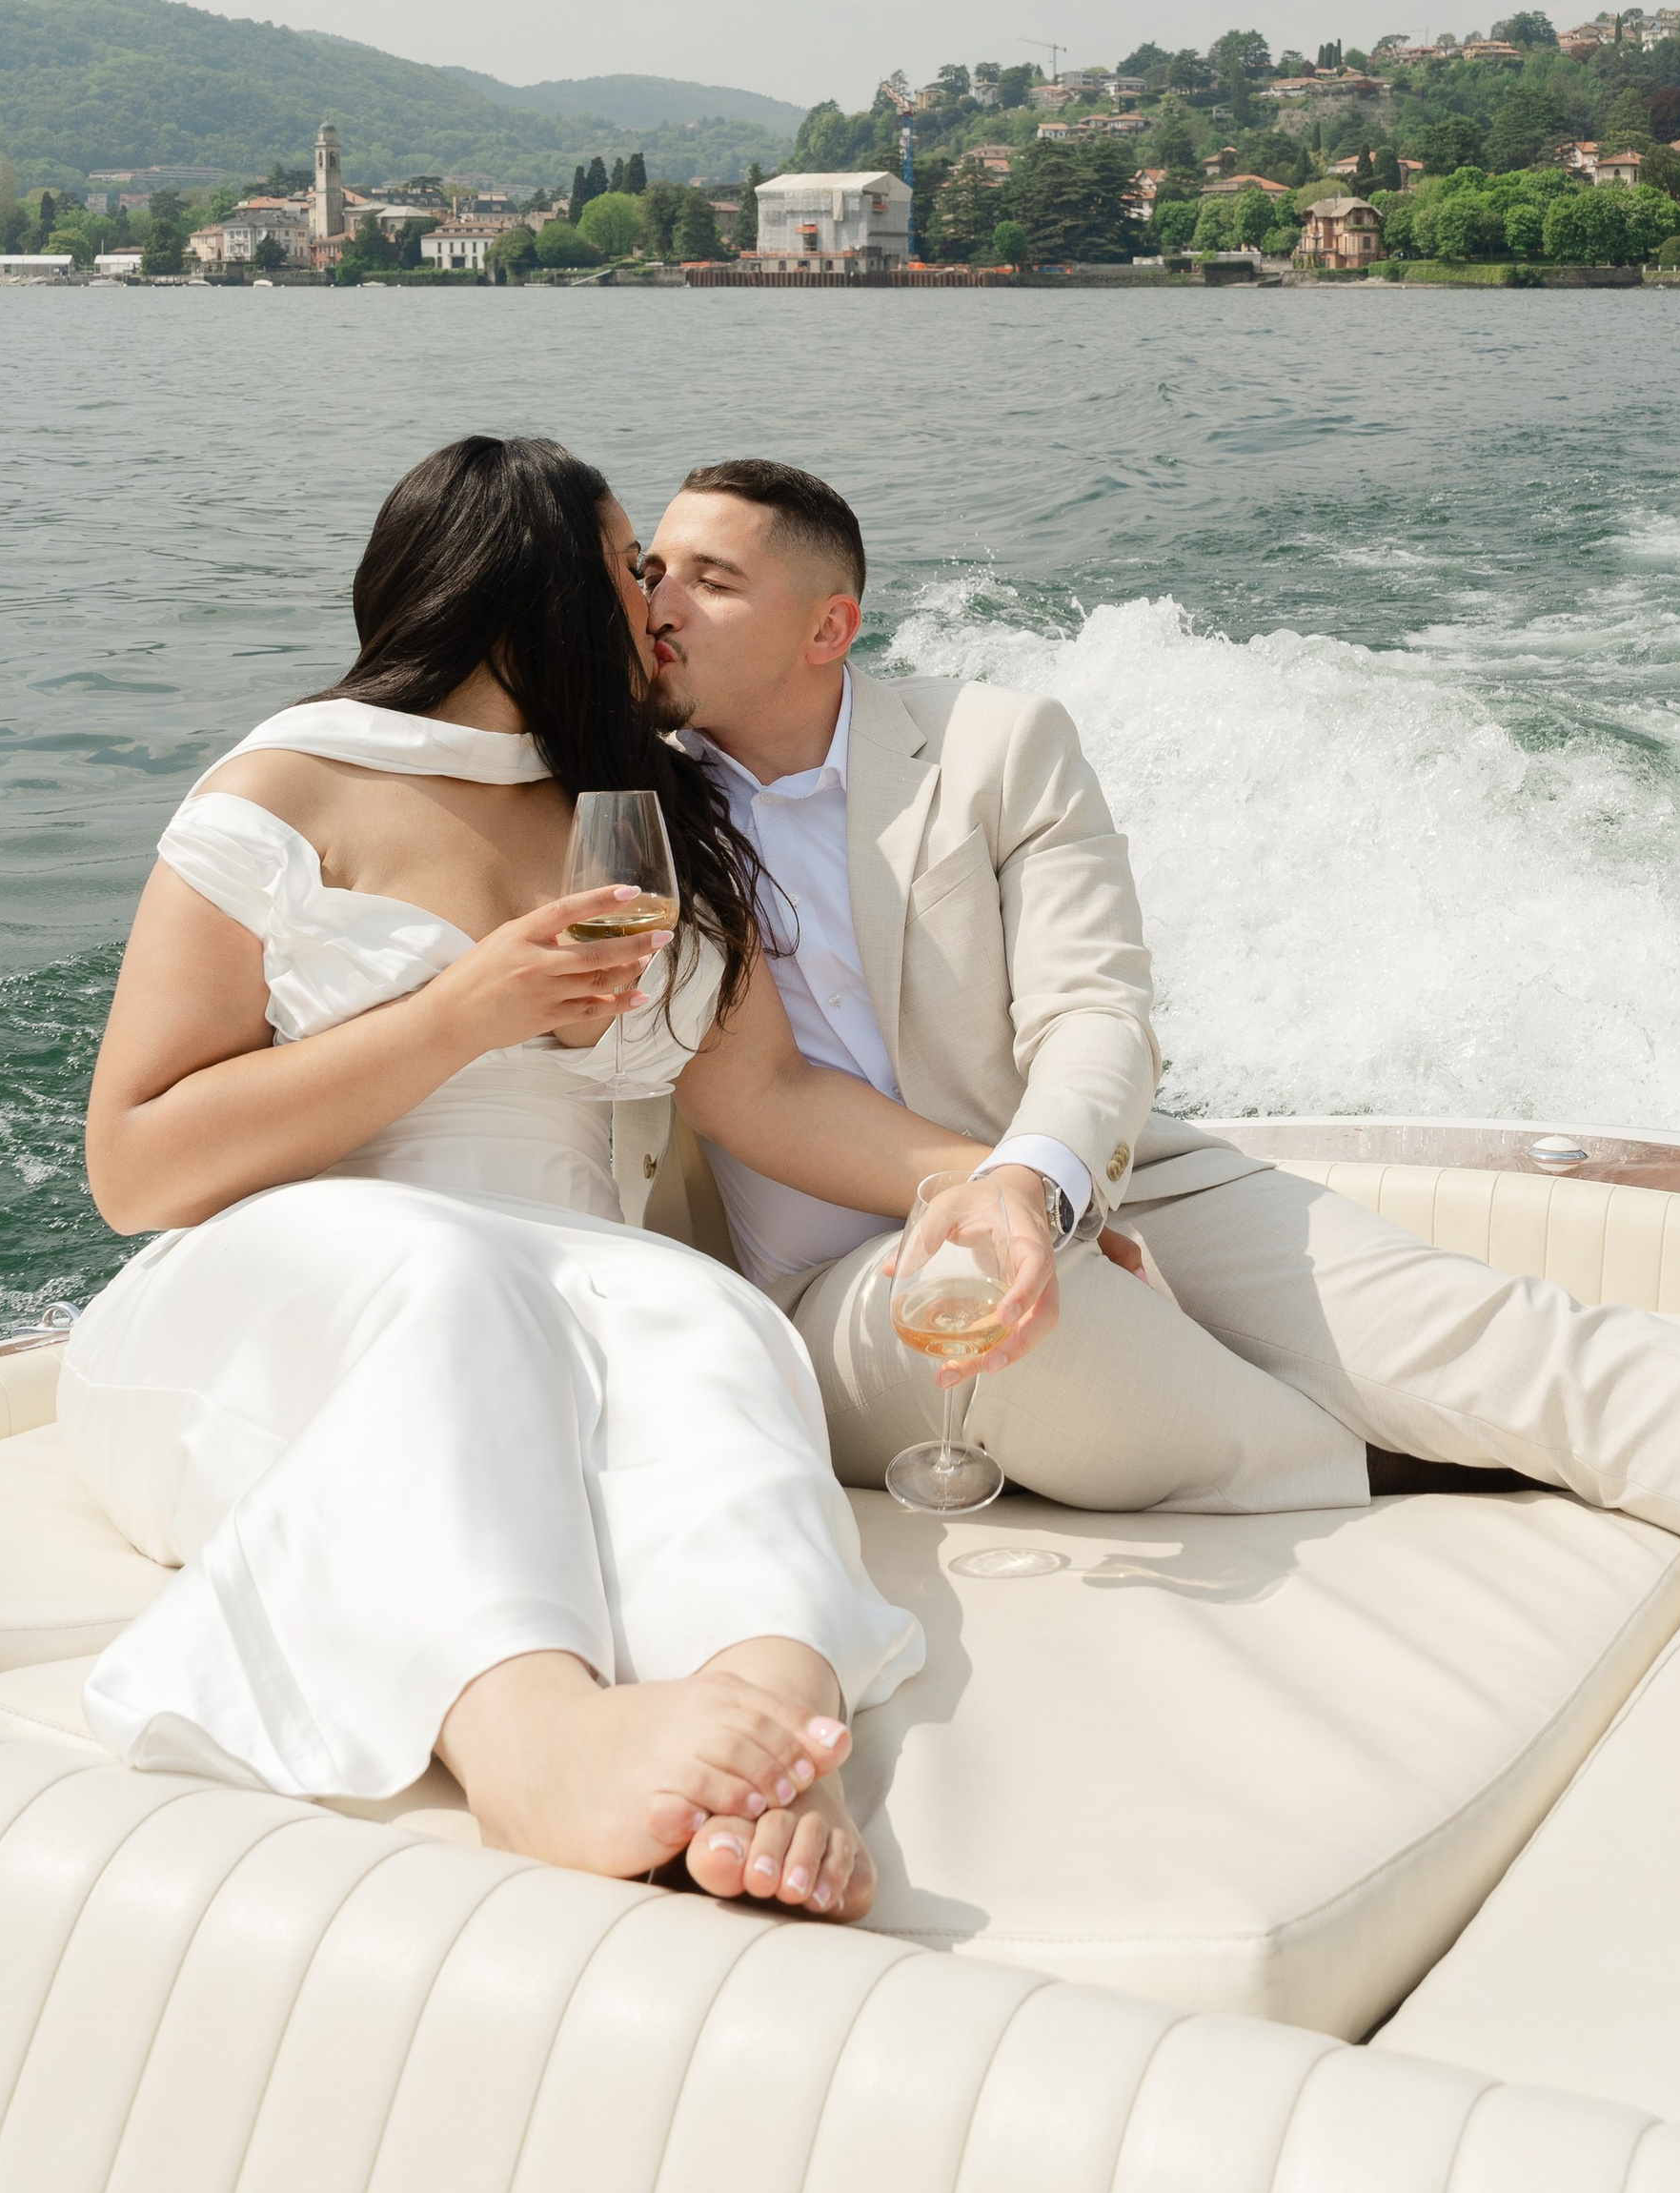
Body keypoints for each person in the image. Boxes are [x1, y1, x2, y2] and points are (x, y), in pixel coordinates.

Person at [643, 459, 1680, 1630]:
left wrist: (1041, 1184)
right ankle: (1417, 1452)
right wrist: (992, 1203)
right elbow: (754, 1091)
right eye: (652, 569)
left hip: (1097, 1175)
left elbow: (1095, 1014)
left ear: (829, 625)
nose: (660, 600)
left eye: (712, 578)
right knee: (1041, 1329)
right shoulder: (628, 808)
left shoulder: (993, 745)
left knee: (1490, 1333)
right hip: (846, 1282)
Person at [70, 434, 1032, 1917]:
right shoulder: (283, 793)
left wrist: (1004, 1178)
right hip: (283, 1289)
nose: (657, 602)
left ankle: (777, 1728)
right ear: (528, 599)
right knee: (445, 1272)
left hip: (572, 1266)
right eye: (629, 568)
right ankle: (528, 1735)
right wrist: (460, 1015)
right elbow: (135, 1166)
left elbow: (765, 1093)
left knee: (706, 1320)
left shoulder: (644, 806)